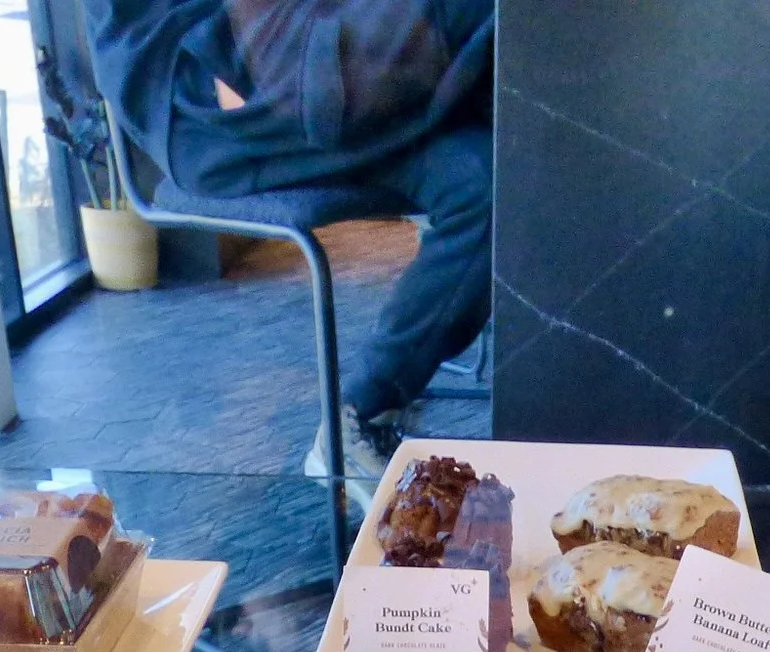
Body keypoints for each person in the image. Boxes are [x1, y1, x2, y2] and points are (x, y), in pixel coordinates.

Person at [94, 0, 495, 478]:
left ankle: (365, 409)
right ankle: (361, 421)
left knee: (489, 182)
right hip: (230, 101)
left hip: (322, 67)